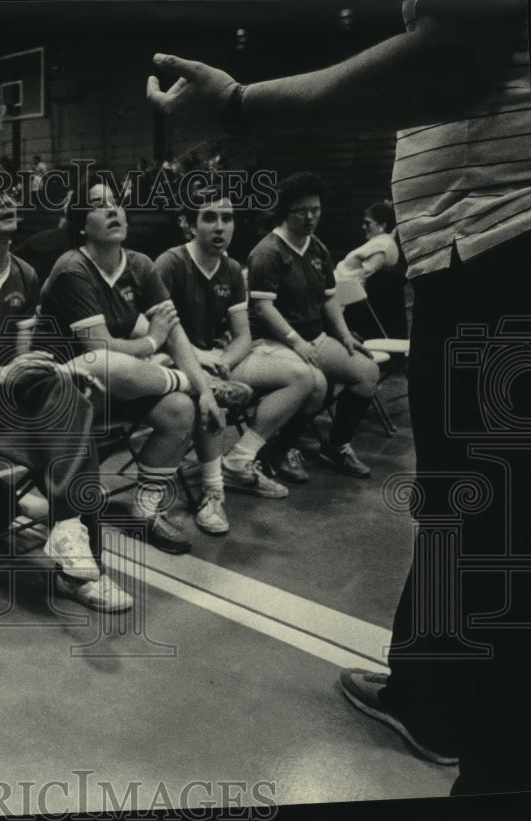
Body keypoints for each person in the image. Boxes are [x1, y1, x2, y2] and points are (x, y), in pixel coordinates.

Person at [146, 0, 531, 796]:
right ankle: (429, 696)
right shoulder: (212, 259)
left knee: (495, 541)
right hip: (470, 258)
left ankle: (485, 761)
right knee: (467, 512)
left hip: (502, 263)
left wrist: (237, 106)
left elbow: (452, 61)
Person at [0, 165, 133, 613]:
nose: (7, 200)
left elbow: (20, 363)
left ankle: (70, 540)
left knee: (70, 401)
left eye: (9, 192)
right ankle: (77, 560)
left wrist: (50, 374)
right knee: (71, 433)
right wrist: (5, 377)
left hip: (7, 405)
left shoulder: (26, 275)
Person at [37, 176, 231, 553]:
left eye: (116, 203)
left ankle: (144, 512)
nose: (112, 210)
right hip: (58, 391)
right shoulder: (71, 268)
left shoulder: (140, 264)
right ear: (81, 223)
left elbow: (175, 333)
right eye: (98, 204)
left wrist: (205, 394)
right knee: (108, 362)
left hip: (112, 389)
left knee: (178, 410)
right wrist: (152, 342)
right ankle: (190, 382)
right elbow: (101, 347)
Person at [154, 183, 316, 499]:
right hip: (176, 361)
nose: (220, 227)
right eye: (209, 217)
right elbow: (152, 332)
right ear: (188, 224)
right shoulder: (170, 264)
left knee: (304, 377)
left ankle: (239, 461)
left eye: (226, 218)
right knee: (213, 396)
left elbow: (243, 336)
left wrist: (225, 361)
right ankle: (212, 487)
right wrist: (199, 356)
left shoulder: (231, 269)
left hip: (218, 361)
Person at [245, 172, 379, 481]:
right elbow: (263, 309)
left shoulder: (317, 248)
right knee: (316, 384)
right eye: (301, 211)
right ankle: (281, 447)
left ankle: (336, 445)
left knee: (367, 373)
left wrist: (345, 337)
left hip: (313, 337)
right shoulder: (267, 252)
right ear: (285, 212)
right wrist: (295, 342)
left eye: (315, 209)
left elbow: (328, 299)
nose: (309, 217)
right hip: (271, 342)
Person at [334, 199, 408, 339]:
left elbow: (363, 277)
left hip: (342, 289)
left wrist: (340, 303)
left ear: (382, 225)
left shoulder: (383, 246)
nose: (363, 227)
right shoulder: (381, 242)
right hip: (338, 283)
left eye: (368, 223)